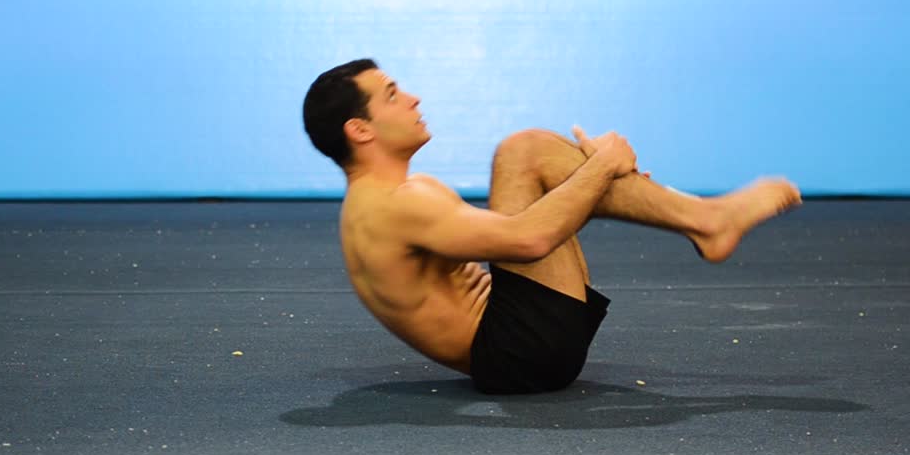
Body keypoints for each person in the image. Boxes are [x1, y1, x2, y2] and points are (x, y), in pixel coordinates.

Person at [302, 58, 801, 394]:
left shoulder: (396, 196)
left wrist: (597, 177)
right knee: (528, 154)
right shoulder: (394, 205)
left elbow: (526, 223)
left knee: (530, 155)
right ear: (360, 129)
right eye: (392, 95)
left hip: (517, 335)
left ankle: (705, 221)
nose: (411, 98)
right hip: (522, 356)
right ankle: (708, 220)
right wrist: (602, 167)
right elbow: (530, 238)